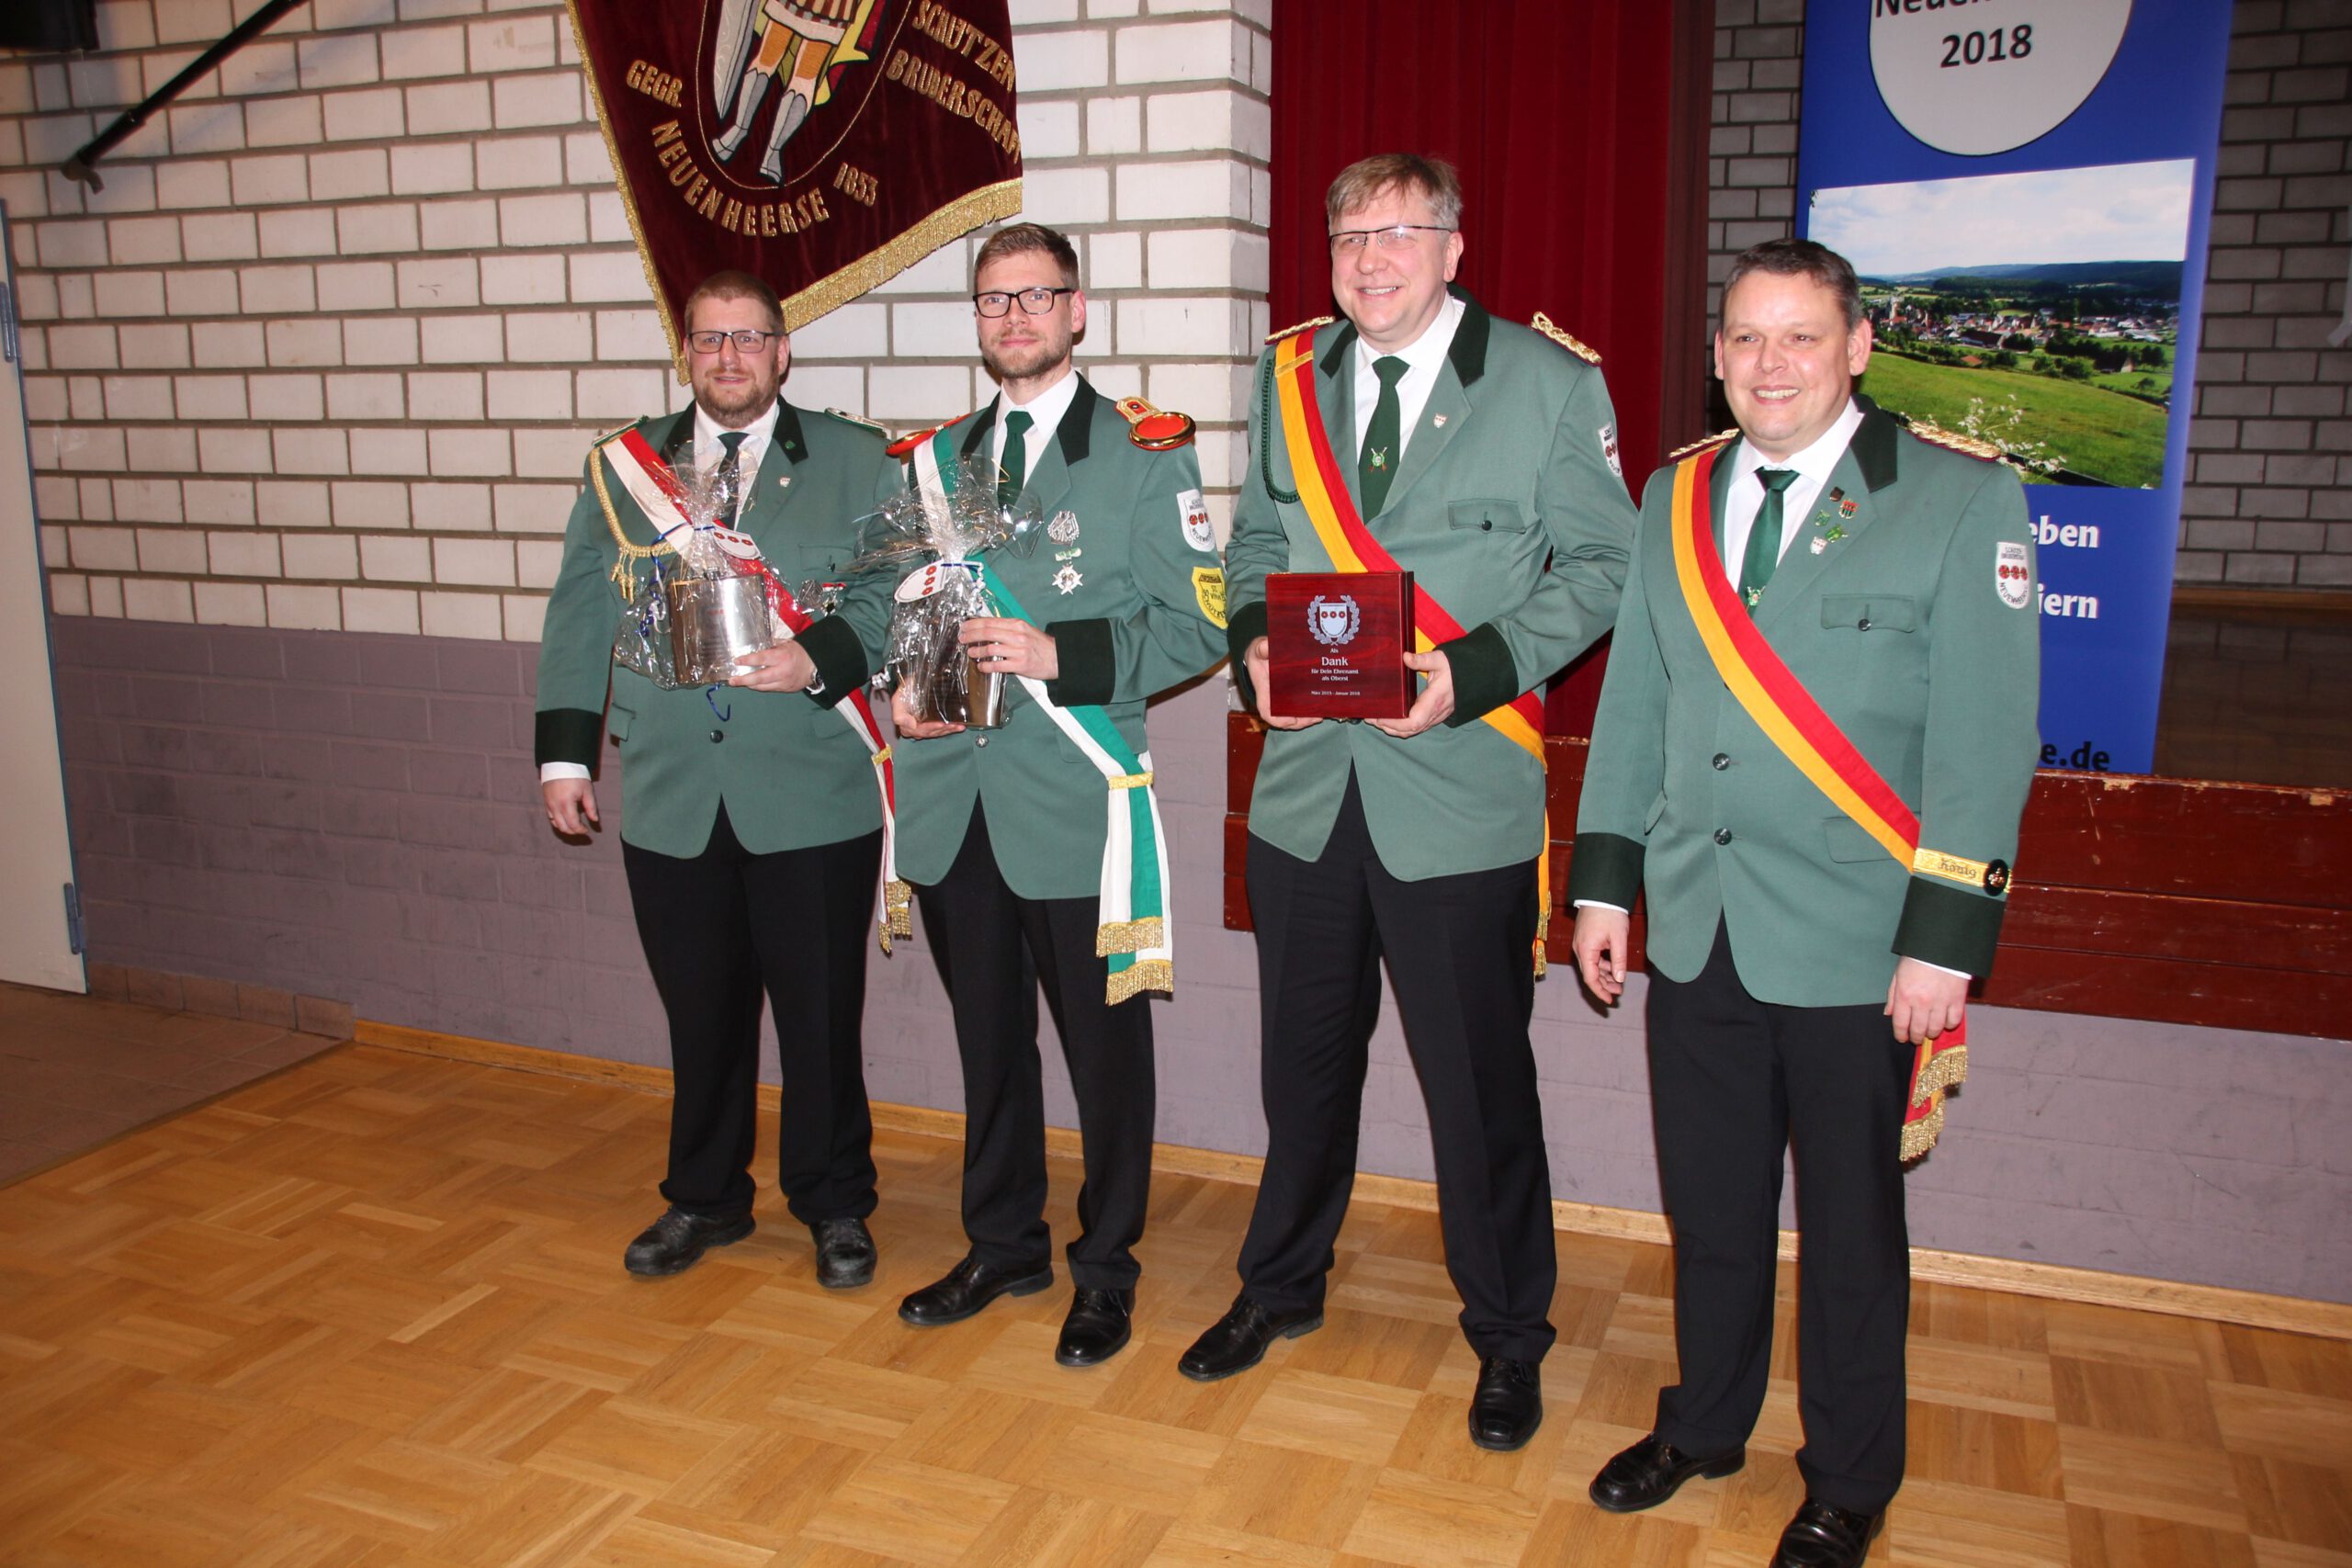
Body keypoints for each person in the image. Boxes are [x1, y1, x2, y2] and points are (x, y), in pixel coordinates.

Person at [1568, 237, 2039, 1568]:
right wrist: (1604, 883)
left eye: (1800, 336)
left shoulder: (1957, 498)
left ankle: (1848, 1477)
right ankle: (1705, 1423)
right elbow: (1637, 701)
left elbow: (1986, 739)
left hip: (1860, 942)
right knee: (1712, 1209)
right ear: (1716, 353)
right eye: (1746, 337)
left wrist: (1943, 942)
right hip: (1700, 921)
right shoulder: (1674, 495)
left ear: (1858, 349)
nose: (1769, 364)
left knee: (1849, 1232)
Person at [1198, 152, 1634, 1452]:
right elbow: (1255, 544)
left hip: (1459, 791)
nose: (1370, 257)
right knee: (1301, 1071)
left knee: (1477, 1087)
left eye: (1400, 231)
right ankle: (1281, 1283)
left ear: (1454, 247)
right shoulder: (1288, 377)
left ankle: (1509, 1333)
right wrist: (1252, 648)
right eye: (1349, 235)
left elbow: (1605, 565)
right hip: (1305, 796)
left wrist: (1474, 672)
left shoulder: (1549, 383)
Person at [886, 222, 1227, 1369]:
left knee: (1103, 1053)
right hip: (955, 801)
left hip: (1078, 802)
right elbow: (901, 607)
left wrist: (1056, 653)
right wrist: (903, 686)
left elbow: (1196, 623)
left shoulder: (1142, 450)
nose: (1014, 318)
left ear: (1077, 310)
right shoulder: (931, 462)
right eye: (994, 300)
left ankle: (1106, 1269)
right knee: (988, 1046)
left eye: (1036, 297)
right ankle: (1002, 1244)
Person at [536, 269, 896, 1288]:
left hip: (810, 789)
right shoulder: (624, 468)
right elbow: (579, 614)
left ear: (782, 350)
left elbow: (891, 593)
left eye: (748, 338)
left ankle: (833, 1202)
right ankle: (704, 1196)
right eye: (708, 339)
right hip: (672, 792)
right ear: (684, 352)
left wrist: (817, 657)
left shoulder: (858, 459)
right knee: (699, 1014)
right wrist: (564, 756)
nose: (728, 357)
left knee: (820, 1017)